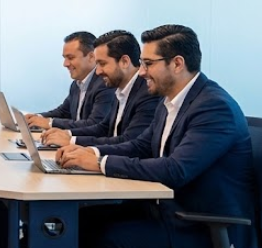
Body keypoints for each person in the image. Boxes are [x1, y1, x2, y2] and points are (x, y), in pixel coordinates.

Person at [57, 25, 255, 248]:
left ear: (177, 64)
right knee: (79, 220)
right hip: (164, 211)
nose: (141, 72)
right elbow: (140, 146)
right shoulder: (169, 101)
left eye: (148, 64)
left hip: (199, 226)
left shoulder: (214, 107)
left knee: (108, 238)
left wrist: (100, 163)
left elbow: (175, 169)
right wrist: (88, 152)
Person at [40, 30, 158, 147]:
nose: (98, 71)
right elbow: (103, 128)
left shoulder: (148, 93)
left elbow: (129, 141)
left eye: (102, 64)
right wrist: (67, 135)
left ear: (124, 62)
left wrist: (72, 141)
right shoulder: (121, 89)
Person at [26, 31, 114, 130]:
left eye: (70, 58)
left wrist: (50, 123)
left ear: (91, 57)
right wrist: (36, 118)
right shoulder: (77, 84)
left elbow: (94, 124)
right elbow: (63, 112)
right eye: (65, 58)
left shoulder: (105, 84)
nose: (65, 64)